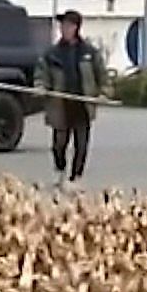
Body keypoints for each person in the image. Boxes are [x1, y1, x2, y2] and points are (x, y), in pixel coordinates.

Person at [36, 10, 108, 189]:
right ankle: (60, 171)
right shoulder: (52, 54)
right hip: (60, 104)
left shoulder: (89, 53)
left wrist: (104, 91)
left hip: (82, 104)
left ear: (76, 28)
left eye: (68, 25)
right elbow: (41, 74)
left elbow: (102, 76)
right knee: (58, 145)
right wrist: (40, 87)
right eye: (62, 26)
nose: (64, 29)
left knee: (81, 145)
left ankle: (76, 177)